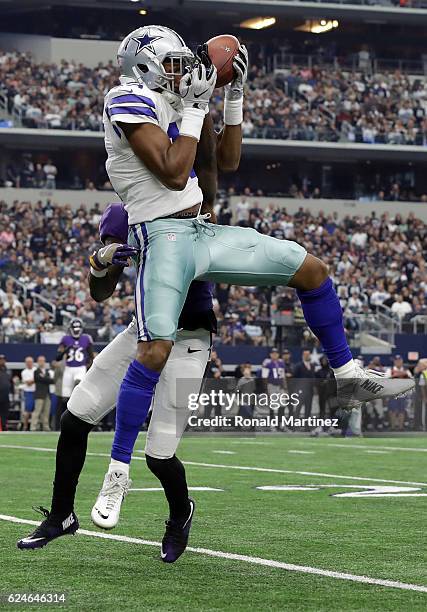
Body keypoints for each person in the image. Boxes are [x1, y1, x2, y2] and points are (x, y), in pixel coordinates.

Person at [102, 26, 413, 495]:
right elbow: (171, 171)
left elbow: (224, 161)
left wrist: (234, 96)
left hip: (202, 229)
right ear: (141, 65)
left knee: (314, 270)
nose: (180, 70)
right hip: (161, 235)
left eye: (182, 62)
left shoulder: (182, 100)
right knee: (154, 350)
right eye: (170, 62)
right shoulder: (126, 98)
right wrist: (194, 106)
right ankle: (117, 472)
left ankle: (347, 376)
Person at [56, 318, 94, 408]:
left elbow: (91, 355)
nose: (76, 330)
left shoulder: (86, 338)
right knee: (65, 396)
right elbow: (58, 357)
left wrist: (89, 364)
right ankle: (67, 414)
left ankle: (78, 409)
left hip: (80, 367)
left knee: (79, 385)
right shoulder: (65, 339)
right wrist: (65, 350)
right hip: (68, 368)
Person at [31, 356, 54, 432]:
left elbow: (51, 381)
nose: (41, 362)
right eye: (40, 361)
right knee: (37, 411)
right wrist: (45, 379)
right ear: (38, 362)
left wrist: (44, 378)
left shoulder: (47, 372)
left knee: (46, 411)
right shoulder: (36, 371)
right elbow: (38, 379)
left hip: (47, 394)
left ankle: (45, 426)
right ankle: (33, 427)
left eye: (43, 361)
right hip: (39, 394)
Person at [20, 355, 36, 431]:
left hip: (36, 392)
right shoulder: (24, 372)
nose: (29, 363)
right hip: (28, 393)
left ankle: (34, 426)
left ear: (32, 362)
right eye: (28, 362)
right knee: (27, 411)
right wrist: (35, 379)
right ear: (25, 363)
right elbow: (28, 383)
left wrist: (33, 380)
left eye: (30, 362)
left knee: (35, 411)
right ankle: (25, 426)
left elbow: (32, 381)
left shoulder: (36, 370)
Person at [0, 354, 12, 431]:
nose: (2, 361)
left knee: (5, 413)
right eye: (1, 360)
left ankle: (4, 427)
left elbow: (10, 382)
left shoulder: (7, 370)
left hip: (5, 396)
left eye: (3, 360)